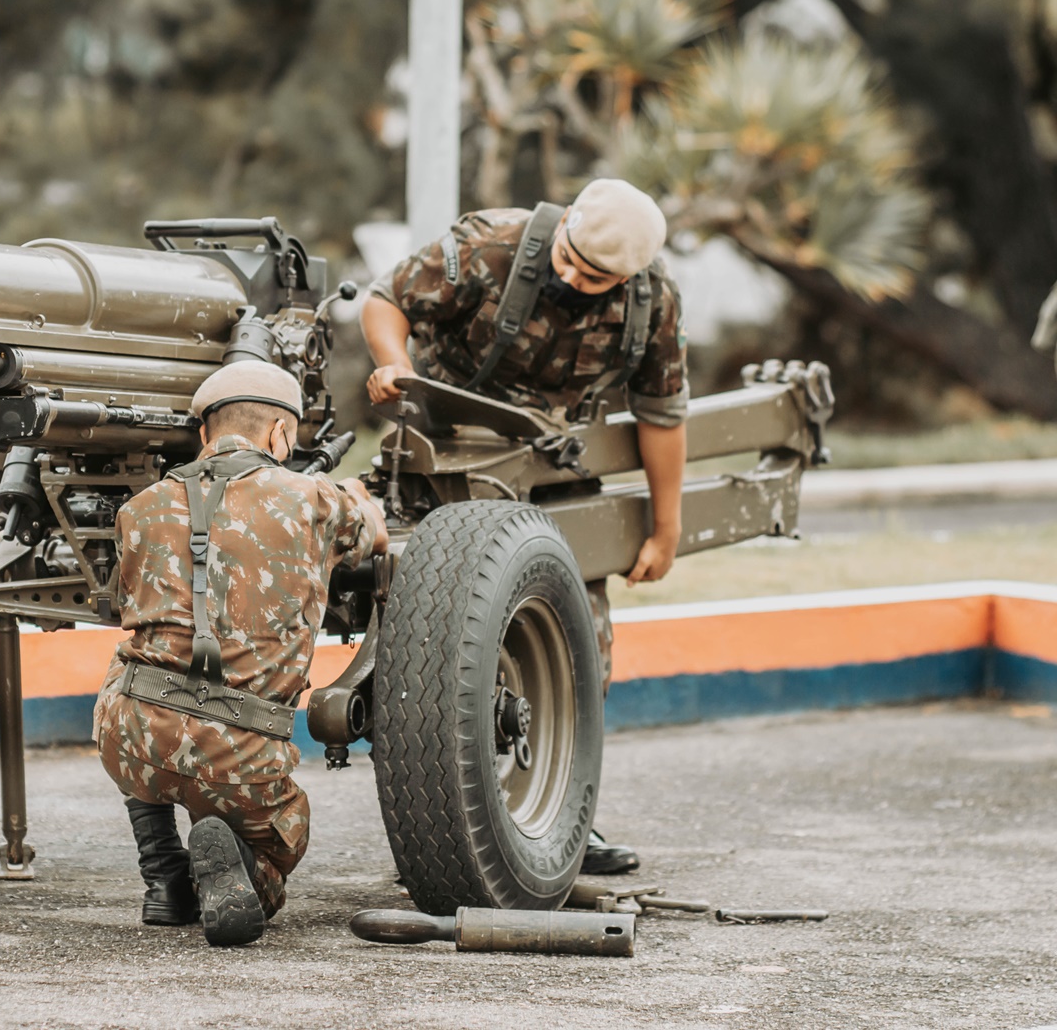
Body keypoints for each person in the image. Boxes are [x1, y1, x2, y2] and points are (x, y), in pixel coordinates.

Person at [360, 178, 687, 875]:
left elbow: (662, 412)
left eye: (595, 276)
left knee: (579, 650)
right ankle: (438, 828)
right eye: (569, 257)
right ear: (564, 221)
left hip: (554, 477)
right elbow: (387, 299)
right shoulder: (489, 246)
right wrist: (394, 364)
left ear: (628, 276)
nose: (572, 277)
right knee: (434, 655)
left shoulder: (652, 301)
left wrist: (666, 528)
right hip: (447, 467)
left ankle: (561, 813)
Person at [93, 360, 389, 946]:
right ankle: (247, 873)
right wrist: (352, 495)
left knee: (127, 666)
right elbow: (375, 533)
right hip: (243, 762)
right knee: (283, 842)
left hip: (132, 742)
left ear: (204, 434)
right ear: (281, 435)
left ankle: (164, 880)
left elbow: (130, 602)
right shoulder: (313, 498)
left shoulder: (139, 508)